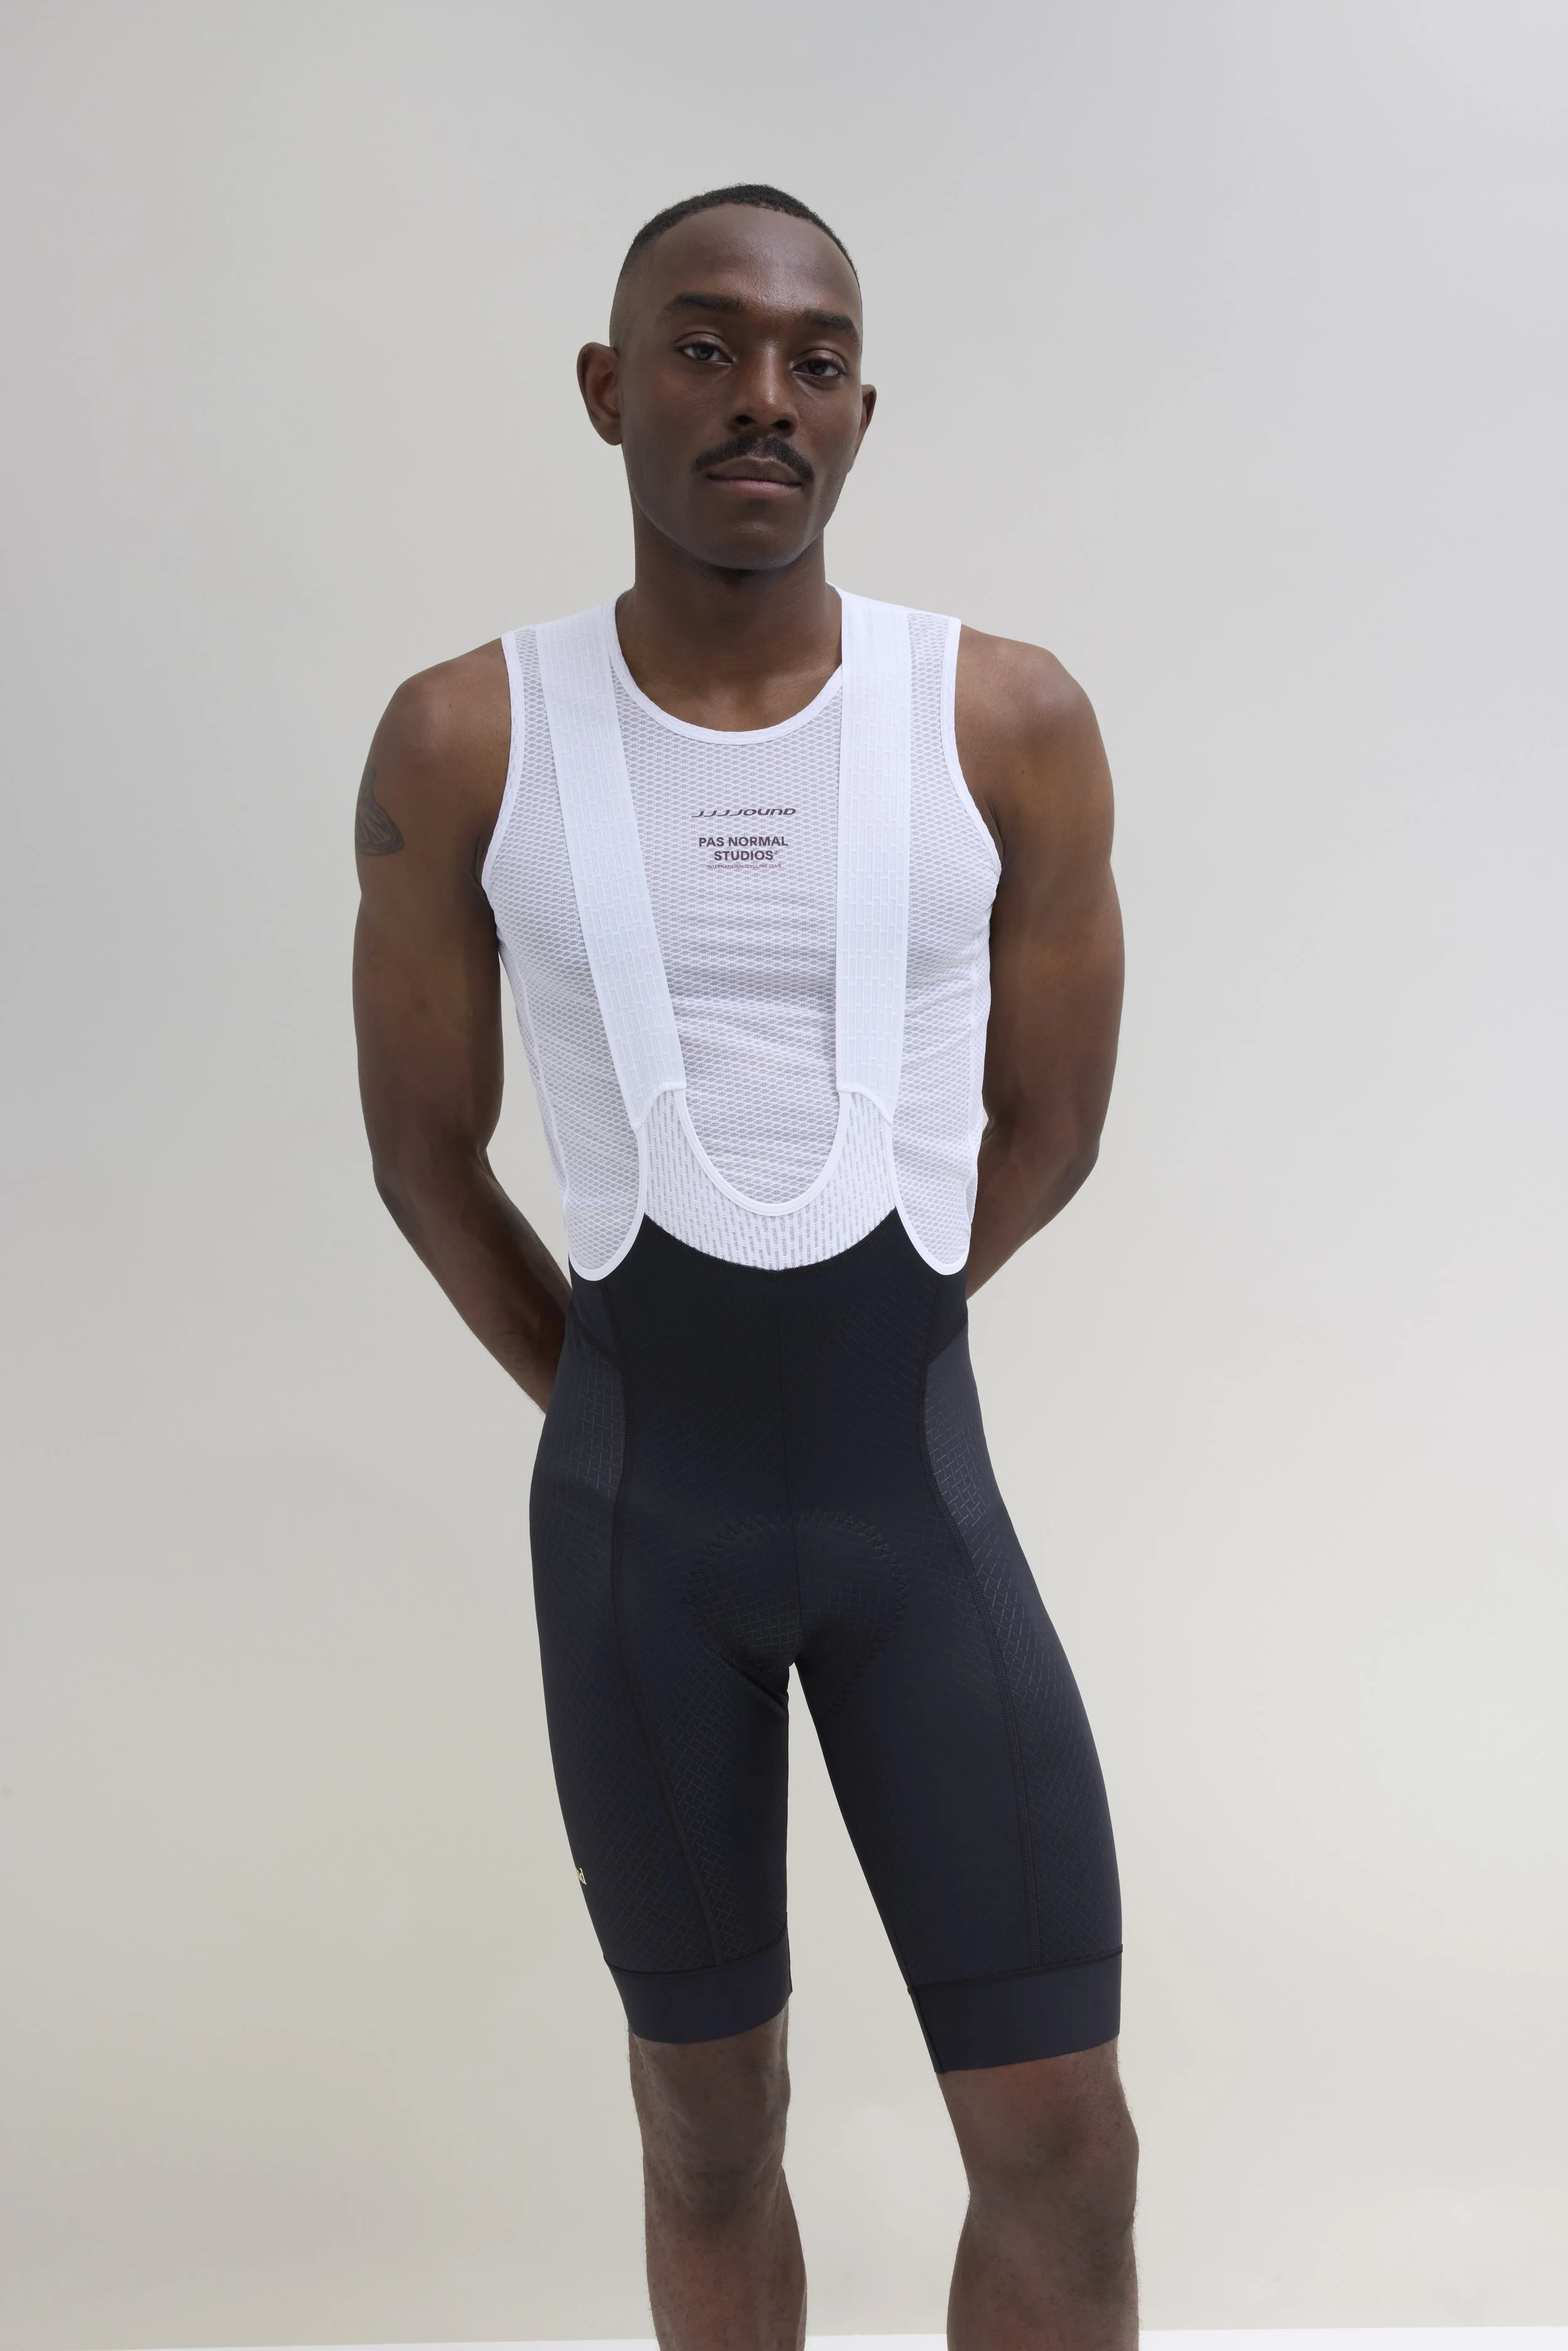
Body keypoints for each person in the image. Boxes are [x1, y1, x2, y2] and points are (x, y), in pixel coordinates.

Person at [352, 182, 1134, 2351]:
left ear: (862, 409)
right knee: (708, 2130)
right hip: (638, 1549)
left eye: (814, 358)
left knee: (1065, 2148)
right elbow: (421, 1153)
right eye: (704, 347)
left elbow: (1053, 1123)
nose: (762, 396)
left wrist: (856, 1340)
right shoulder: (463, 737)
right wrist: (631, 1396)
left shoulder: (1004, 718)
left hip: (915, 1523)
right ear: (609, 389)